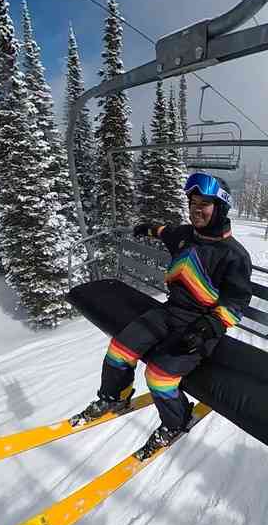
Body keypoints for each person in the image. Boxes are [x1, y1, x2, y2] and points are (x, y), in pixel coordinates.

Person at [71, 172, 253, 459]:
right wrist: (147, 228)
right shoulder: (185, 235)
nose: (196, 209)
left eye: (204, 203)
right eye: (193, 202)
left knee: (159, 377)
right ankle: (114, 397)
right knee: (119, 349)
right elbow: (165, 231)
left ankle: (176, 421)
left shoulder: (233, 255)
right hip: (169, 313)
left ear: (220, 207)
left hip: (199, 327)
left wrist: (210, 326)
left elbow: (237, 301)